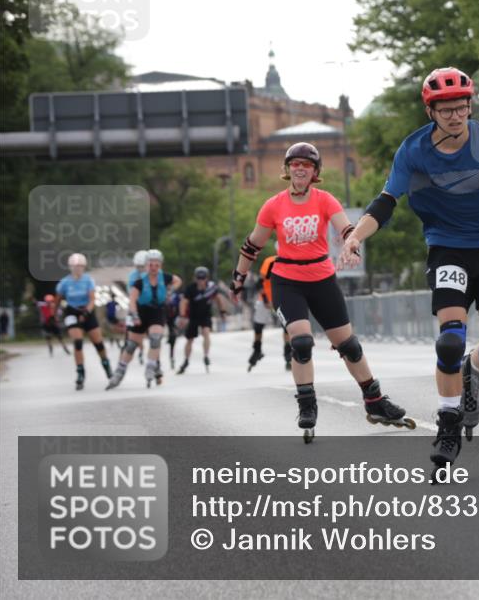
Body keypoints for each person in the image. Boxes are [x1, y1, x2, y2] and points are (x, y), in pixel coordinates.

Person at [341, 67, 479, 473]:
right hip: (449, 249)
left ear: (469, 107)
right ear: (431, 112)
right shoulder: (413, 151)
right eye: (446, 110)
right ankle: (448, 425)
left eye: (461, 108)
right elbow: (386, 201)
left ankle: (472, 373)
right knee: (449, 341)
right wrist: (356, 236)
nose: (455, 116)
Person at [229, 142, 413, 443]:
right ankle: (307, 404)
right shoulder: (273, 205)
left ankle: (375, 400)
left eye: (307, 165)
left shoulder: (325, 200)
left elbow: (346, 229)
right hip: (287, 281)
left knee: (349, 346)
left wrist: (352, 246)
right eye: (295, 164)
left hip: (322, 279)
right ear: (287, 170)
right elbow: (253, 244)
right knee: (301, 343)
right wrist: (239, 276)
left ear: (315, 172)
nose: (300, 169)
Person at [107, 249, 183, 389]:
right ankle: (119, 371)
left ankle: (152, 367)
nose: (151, 268)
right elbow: (132, 299)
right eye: (148, 265)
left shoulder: (162, 276)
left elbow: (177, 280)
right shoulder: (136, 279)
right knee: (131, 345)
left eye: (156, 265)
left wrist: (170, 290)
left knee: (155, 339)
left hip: (156, 311)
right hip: (139, 311)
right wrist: (134, 315)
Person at [54, 253, 114, 389]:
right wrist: (54, 315)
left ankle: (107, 367)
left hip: (87, 310)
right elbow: (57, 299)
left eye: (80, 266)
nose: (77, 269)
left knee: (98, 343)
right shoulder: (64, 282)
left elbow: (92, 298)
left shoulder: (88, 280)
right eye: (75, 266)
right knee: (78, 342)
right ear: (70, 267)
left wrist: (87, 311)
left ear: (84, 267)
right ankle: (80, 373)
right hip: (72, 312)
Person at [176, 266, 228, 374]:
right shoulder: (190, 288)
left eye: (203, 278)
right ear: (195, 278)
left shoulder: (211, 287)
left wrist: (222, 311)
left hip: (206, 315)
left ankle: (206, 355)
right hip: (193, 316)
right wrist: (182, 316)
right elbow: (183, 302)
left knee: (206, 333)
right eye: (199, 278)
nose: (201, 281)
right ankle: (186, 360)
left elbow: (219, 298)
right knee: (190, 339)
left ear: (207, 278)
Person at [248, 254, 291, 372]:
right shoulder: (270, 261)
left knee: (286, 327)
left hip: (282, 299)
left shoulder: (291, 260)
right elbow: (259, 283)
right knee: (258, 326)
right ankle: (257, 350)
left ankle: (288, 355)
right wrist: (266, 299)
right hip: (266, 299)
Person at [125, 250, 148, 366]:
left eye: (142, 266)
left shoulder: (153, 274)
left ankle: (154, 363)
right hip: (135, 306)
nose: (140, 269)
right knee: (130, 335)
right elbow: (131, 294)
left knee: (153, 337)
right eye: (138, 266)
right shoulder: (132, 276)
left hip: (149, 308)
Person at [165, 290, 181, 368]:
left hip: (173, 319)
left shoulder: (176, 295)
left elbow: (180, 306)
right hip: (162, 318)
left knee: (173, 337)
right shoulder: (160, 293)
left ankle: (171, 357)